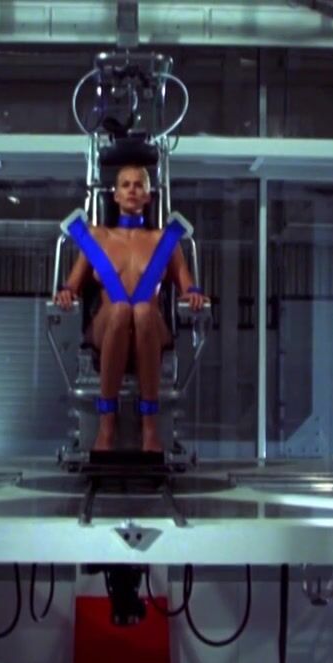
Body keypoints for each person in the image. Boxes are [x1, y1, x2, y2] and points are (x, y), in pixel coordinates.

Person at [54, 165, 207, 452]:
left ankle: (150, 427)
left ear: (148, 196)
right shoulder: (96, 238)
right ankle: (107, 424)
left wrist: (194, 296)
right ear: (115, 195)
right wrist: (65, 294)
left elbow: (188, 286)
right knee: (123, 309)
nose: (132, 190)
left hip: (150, 326)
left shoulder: (165, 241)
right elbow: (71, 286)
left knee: (142, 311)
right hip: (108, 324)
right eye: (125, 185)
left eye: (139, 185)